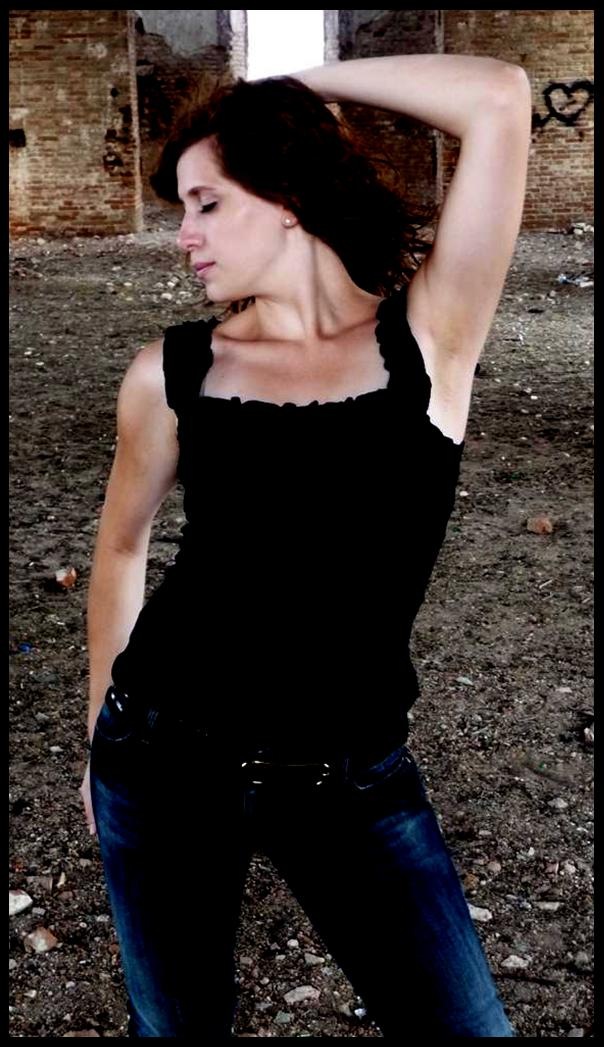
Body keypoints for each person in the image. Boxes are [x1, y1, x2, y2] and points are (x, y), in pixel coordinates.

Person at [80, 53, 531, 1038]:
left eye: (207, 203)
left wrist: (283, 86)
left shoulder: (432, 342)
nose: (185, 236)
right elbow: (120, 550)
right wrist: (94, 743)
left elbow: (498, 99)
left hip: (350, 778)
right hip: (158, 756)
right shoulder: (172, 371)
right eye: (183, 212)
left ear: (286, 197)